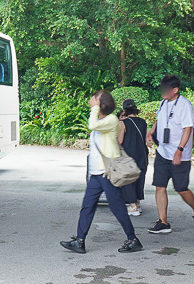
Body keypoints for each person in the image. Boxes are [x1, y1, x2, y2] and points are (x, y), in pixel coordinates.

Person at [60, 90, 143, 254]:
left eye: (94, 98)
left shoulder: (112, 120)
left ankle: (133, 239)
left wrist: (94, 108)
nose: (90, 100)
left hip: (107, 173)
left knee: (117, 207)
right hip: (96, 175)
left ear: (101, 102)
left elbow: (92, 126)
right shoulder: (101, 120)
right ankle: (80, 240)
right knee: (87, 206)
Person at [146, 75, 194, 234]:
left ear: (175, 90)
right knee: (160, 186)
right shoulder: (163, 102)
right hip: (162, 152)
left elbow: (188, 129)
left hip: (180, 155)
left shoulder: (185, 105)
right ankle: (163, 222)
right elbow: (160, 119)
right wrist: (151, 132)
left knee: (181, 188)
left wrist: (179, 150)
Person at [117, 98, 148, 216]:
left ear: (124, 110)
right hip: (142, 155)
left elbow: (120, 140)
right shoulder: (143, 122)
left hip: (129, 155)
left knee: (128, 179)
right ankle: (138, 204)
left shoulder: (123, 123)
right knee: (140, 178)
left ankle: (133, 206)